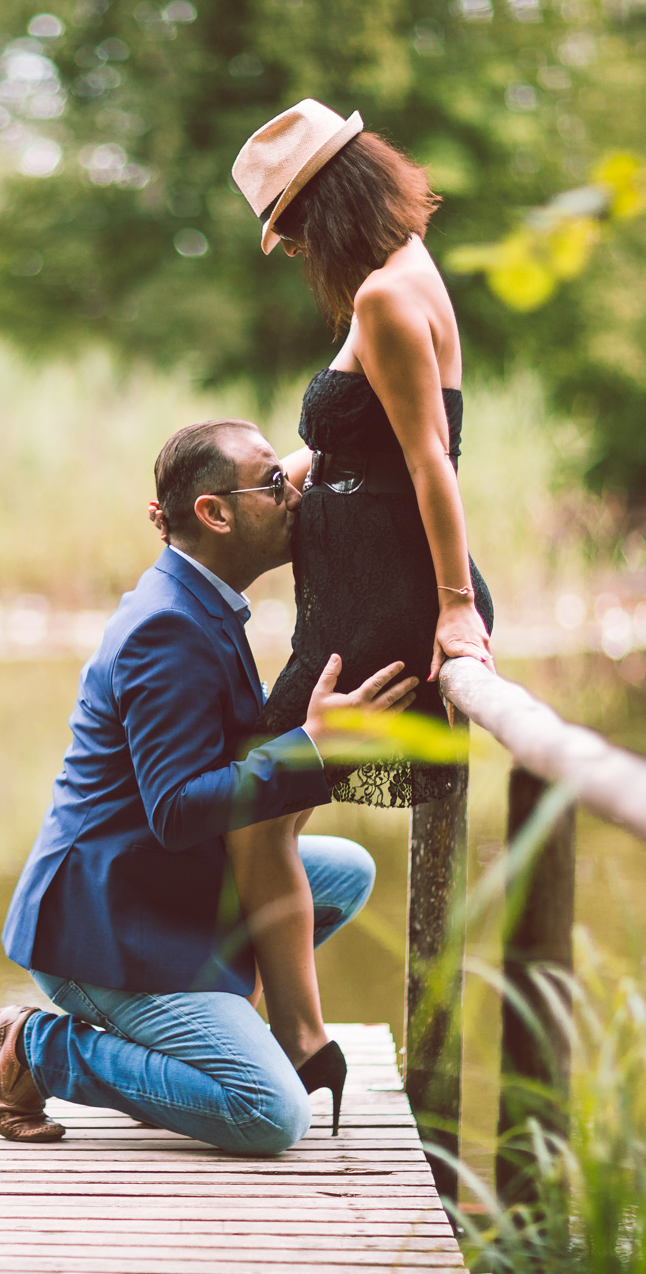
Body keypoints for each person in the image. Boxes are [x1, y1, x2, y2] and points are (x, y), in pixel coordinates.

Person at [0, 418, 420, 1153]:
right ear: (215, 514)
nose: (293, 496)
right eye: (274, 485)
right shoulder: (168, 628)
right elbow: (178, 812)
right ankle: (40, 1049)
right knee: (271, 1115)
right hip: (100, 922)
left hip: (157, 887)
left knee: (344, 874)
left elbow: (263, 478)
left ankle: (215, 1015)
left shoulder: (196, 590)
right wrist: (310, 747)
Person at [220, 101, 497, 1085]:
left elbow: (431, 461)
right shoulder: (404, 267)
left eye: (294, 230)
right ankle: (284, 1037)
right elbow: (376, 439)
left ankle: (285, 1041)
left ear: (326, 208)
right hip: (355, 595)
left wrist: (457, 606)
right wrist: (304, 463)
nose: (295, 251)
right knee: (260, 810)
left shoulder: (384, 295)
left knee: (254, 806)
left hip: (383, 603)